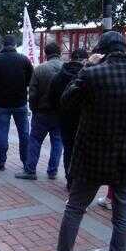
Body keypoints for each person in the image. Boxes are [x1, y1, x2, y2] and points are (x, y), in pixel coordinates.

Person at [42, 32, 126, 251]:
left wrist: (86, 67)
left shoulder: (93, 74)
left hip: (92, 153)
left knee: (75, 208)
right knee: (123, 215)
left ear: (101, 52)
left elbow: (67, 102)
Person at [15, 42, 63, 181]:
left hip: (42, 112)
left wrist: (33, 108)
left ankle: (30, 170)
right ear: (59, 53)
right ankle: (52, 171)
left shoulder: (40, 69)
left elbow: (33, 93)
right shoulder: (65, 68)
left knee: (35, 140)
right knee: (57, 142)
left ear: (46, 54)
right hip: (60, 112)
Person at [0, 35, 33, 171]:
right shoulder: (24, 60)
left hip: (1, 103)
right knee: (24, 133)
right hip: (20, 102)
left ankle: (0, 161)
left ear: (2, 44)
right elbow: (31, 80)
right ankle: (26, 162)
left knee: (2, 132)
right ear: (14, 44)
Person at [48, 48, 87, 188]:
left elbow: (51, 98)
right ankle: (80, 180)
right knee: (83, 150)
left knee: (68, 149)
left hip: (64, 119)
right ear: (84, 60)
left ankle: (69, 179)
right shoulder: (88, 76)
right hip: (84, 120)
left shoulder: (58, 76)